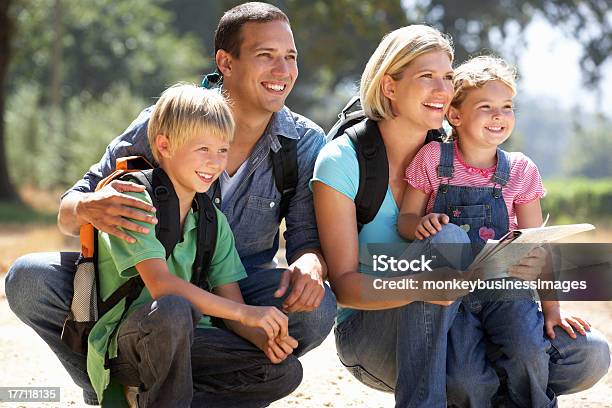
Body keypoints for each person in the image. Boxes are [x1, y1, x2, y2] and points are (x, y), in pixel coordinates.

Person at [6, 2, 335, 405]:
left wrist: (309, 265)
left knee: (314, 314)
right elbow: (71, 206)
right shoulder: (168, 119)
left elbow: (305, 238)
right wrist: (90, 207)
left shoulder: (304, 142)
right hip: (142, 289)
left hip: (236, 290)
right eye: (266, 56)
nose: (283, 71)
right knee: (29, 278)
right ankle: (106, 386)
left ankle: (153, 391)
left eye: (290, 57)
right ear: (225, 62)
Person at [312, 25, 609, 408]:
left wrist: (538, 283)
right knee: (447, 242)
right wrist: (421, 287)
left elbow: (533, 244)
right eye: (426, 77)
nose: (442, 89)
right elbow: (347, 287)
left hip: (484, 307)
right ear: (389, 86)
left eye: (448, 77)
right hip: (378, 333)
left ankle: (487, 390)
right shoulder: (344, 160)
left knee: (590, 353)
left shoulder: (463, 152)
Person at [88, 83, 301, 407]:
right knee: (175, 309)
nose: (215, 162)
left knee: (283, 371)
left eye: (222, 150)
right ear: (165, 145)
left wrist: (265, 339)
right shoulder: (133, 199)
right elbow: (162, 287)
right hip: (131, 344)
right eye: (203, 149)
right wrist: (247, 313)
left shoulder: (212, 219)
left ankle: (151, 401)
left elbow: (231, 309)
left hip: (191, 341)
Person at [397, 55, 577, 407]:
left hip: (507, 287)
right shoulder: (432, 158)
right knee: (464, 380)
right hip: (455, 296)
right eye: (486, 106)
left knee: (528, 349)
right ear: (456, 115)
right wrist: (419, 225)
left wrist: (552, 309)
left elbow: (537, 243)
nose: (499, 115)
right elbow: (405, 219)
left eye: (507, 106)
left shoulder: (521, 170)